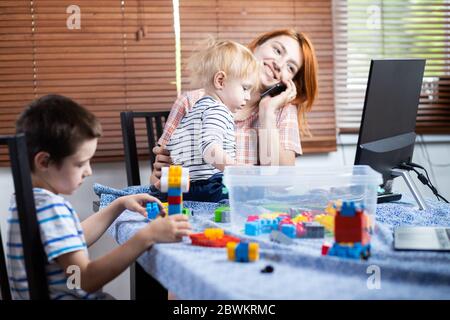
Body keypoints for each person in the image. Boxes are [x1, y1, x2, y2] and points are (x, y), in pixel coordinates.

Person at [7, 94, 191, 300]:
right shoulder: (51, 208)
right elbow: (86, 278)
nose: (88, 171)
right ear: (44, 162)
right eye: (80, 163)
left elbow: (75, 238)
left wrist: (119, 204)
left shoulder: (28, 202)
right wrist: (147, 235)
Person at [151, 29, 318, 188]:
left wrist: (267, 112)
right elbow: (157, 179)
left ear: (289, 82)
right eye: (277, 51)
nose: (279, 64)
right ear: (257, 45)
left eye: (290, 68)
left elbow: (281, 185)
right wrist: (165, 168)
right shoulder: (190, 101)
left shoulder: (282, 111)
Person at [165, 38, 259, 202]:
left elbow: (173, 147)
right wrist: (236, 170)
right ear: (220, 81)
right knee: (253, 196)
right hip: (208, 186)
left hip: (185, 186)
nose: (248, 97)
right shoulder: (218, 110)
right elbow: (209, 149)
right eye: (245, 88)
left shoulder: (197, 108)